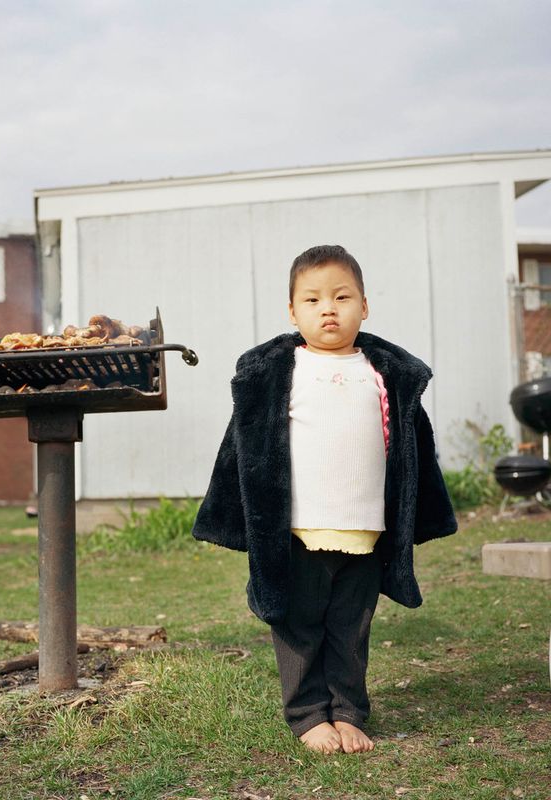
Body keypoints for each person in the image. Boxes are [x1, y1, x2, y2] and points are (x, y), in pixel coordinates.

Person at [192, 244, 457, 754]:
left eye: (342, 297)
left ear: (364, 305)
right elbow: (241, 451)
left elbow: (414, 450)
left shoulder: (386, 374)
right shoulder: (279, 372)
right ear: (292, 312)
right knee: (297, 623)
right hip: (296, 528)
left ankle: (349, 711)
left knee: (350, 629)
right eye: (312, 300)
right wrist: (228, 519)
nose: (328, 309)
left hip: (364, 527)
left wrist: (425, 513)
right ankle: (309, 713)